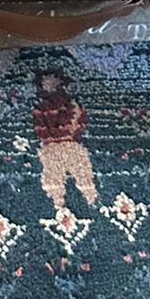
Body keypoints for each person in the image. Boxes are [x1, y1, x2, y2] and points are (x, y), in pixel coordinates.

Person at [31, 69, 98, 209]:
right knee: (53, 177)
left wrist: (72, 131)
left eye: (52, 83)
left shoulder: (69, 105)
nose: (49, 86)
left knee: (82, 173)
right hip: (53, 146)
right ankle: (58, 203)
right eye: (46, 84)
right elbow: (39, 127)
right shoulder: (40, 108)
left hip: (67, 143)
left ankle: (90, 199)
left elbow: (79, 118)